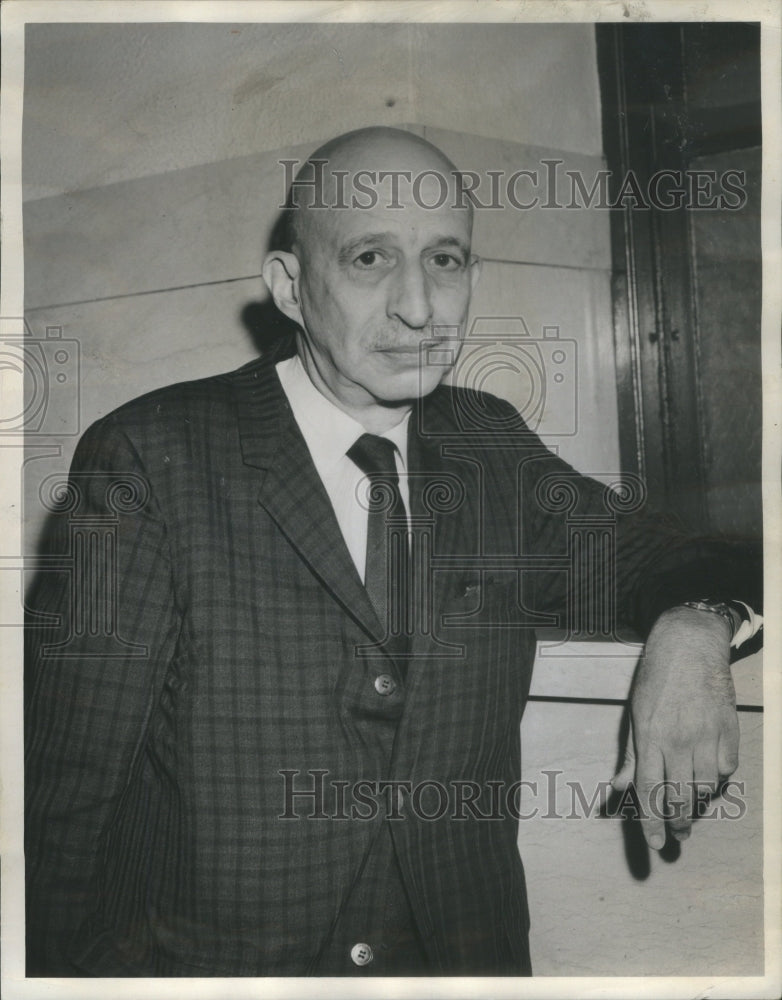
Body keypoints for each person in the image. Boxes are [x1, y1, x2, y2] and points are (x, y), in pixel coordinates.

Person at [25, 126, 762, 977]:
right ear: (292, 288)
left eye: (445, 260)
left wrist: (699, 627)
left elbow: (701, 555)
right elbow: (64, 805)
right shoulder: (152, 456)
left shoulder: (493, 446)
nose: (420, 306)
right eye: (371, 258)